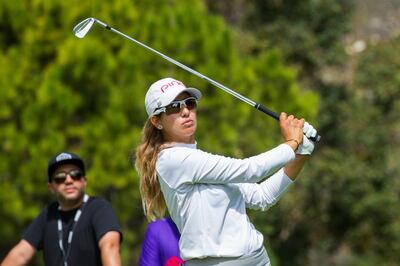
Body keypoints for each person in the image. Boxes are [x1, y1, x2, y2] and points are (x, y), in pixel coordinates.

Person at [135, 77, 317, 265]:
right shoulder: (172, 160)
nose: (185, 111)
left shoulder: (200, 160)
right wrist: (292, 143)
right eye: (174, 107)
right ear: (157, 121)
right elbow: (249, 170)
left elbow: (261, 196)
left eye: (189, 103)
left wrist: (301, 153)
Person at [1, 152, 123, 266]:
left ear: (84, 181)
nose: (69, 180)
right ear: (51, 187)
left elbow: (110, 246)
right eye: (60, 178)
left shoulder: (99, 208)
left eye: (76, 175)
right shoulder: (48, 214)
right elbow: (20, 254)